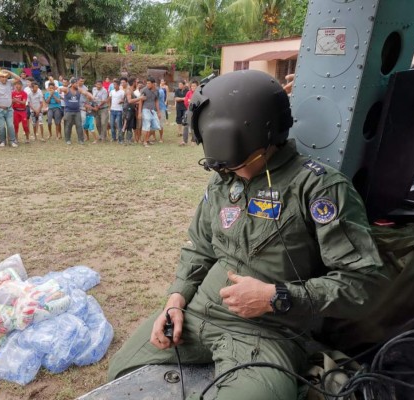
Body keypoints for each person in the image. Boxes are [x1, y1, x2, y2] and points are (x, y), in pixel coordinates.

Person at [108, 70, 387, 399]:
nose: (226, 173)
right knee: (122, 373)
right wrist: (176, 299)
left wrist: (275, 296)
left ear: (267, 140)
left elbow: (365, 283)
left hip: (267, 331)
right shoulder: (224, 178)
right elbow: (200, 248)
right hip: (199, 314)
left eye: (235, 163)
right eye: (220, 166)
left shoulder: (319, 189)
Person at [140, 76, 161, 148]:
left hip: (153, 110)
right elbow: (140, 101)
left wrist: (158, 112)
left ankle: (147, 139)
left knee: (155, 126)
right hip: (145, 109)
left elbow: (157, 101)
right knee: (146, 126)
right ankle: (145, 142)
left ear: (153, 84)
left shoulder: (157, 91)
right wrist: (139, 112)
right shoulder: (144, 90)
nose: (147, 85)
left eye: (149, 83)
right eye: (147, 83)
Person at [180, 80, 199, 146]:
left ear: (197, 86)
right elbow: (185, 101)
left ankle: (193, 141)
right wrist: (189, 104)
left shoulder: (198, 93)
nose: (193, 87)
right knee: (185, 125)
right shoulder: (188, 93)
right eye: (191, 86)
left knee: (193, 126)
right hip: (189, 110)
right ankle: (184, 141)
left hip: (196, 111)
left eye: (194, 86)